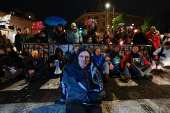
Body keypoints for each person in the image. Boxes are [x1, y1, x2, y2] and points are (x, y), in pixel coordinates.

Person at [63, 47, 105, 113]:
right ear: (77, 57)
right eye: (81, 56)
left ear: (90, 59)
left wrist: (98, 95)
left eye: (87, 57)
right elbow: (64, 84)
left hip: (92, 102)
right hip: (76, 102)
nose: (84, 59)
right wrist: (63, 98)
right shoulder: (68, 68)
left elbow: (100, 83)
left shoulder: (95, 67)